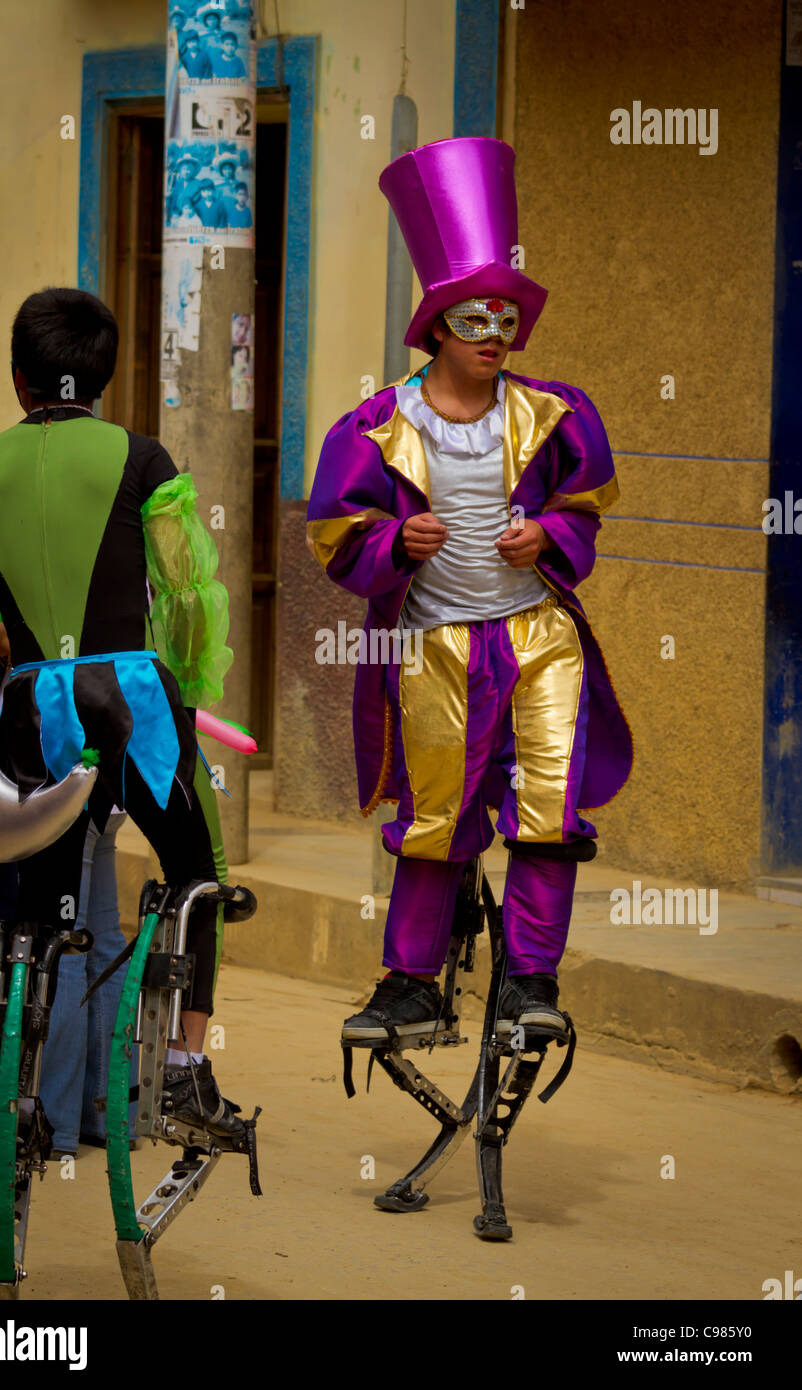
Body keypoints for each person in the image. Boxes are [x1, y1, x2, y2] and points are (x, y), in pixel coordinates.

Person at [307, 137, 633, 1046]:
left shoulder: (553, 414)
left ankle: (532, 979)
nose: (495, 335)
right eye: (475, 318)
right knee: (435, 820)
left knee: (549, 812)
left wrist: (550, 536)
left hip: (537, 638)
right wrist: (394, 543)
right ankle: (410, 981)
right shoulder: (374, 428)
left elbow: (583, 512)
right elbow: (338, 537)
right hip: (433, 646)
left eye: (505, 319)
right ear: (437, 327)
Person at [0, 286, 252, 1141]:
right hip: (135, 704)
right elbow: (191, 597)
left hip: (33, 706)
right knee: (197, 872)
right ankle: (188, 1072)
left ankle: (27, 1096)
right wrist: (181, 685)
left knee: (35, 909)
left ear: (19, 380)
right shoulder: (145, 459)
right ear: (104, 376)